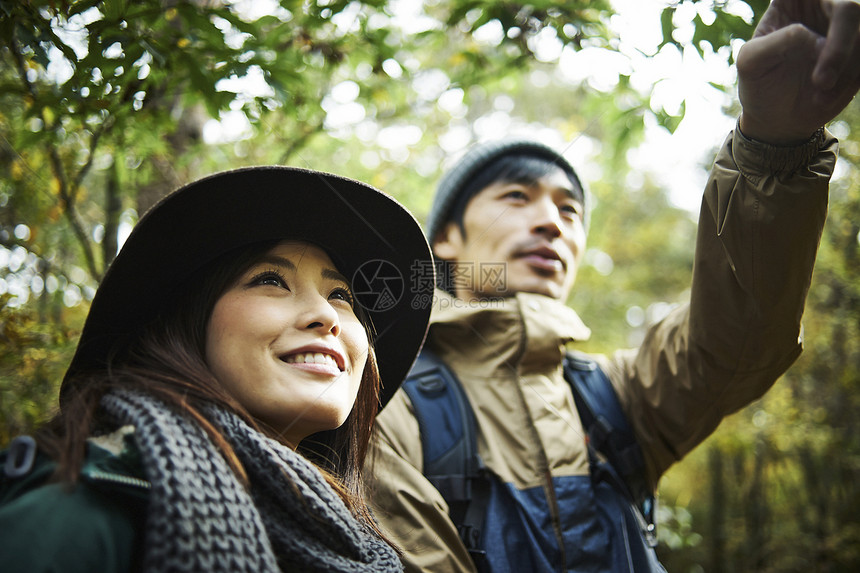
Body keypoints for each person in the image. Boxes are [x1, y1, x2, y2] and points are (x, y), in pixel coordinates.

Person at [364, 0, 860, 571]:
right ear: (445, 240)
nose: (552, 222)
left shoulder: (614, 396)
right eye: (516, 197)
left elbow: (740, 339)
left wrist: (776, 143)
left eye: (569, 211)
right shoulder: (383, 398)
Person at [0, 166, 434, 573]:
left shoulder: (357, 548)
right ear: (187, 327)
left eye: (341, 295)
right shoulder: (86, 510)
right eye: (271, 280)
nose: (327, 314)